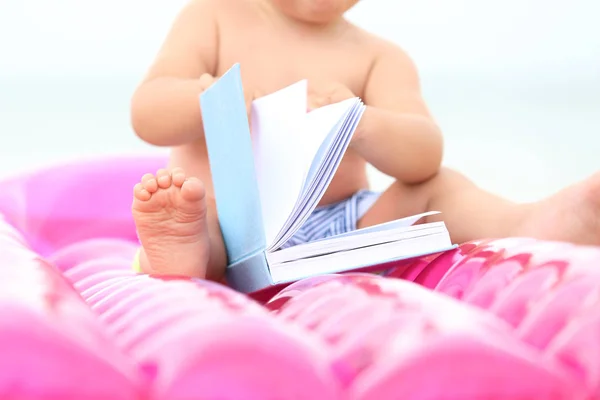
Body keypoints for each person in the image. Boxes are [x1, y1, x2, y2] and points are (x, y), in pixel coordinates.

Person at [129, 0, 600, 282]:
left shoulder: (379, 56)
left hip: (341, 226)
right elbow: (148, 113)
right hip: (224, 221)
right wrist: (210, 98)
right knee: (194, 211)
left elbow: (423, 156)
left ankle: (530, 220)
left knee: (440, 189)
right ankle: (185, 250)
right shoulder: (214, 16)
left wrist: (361, 122)